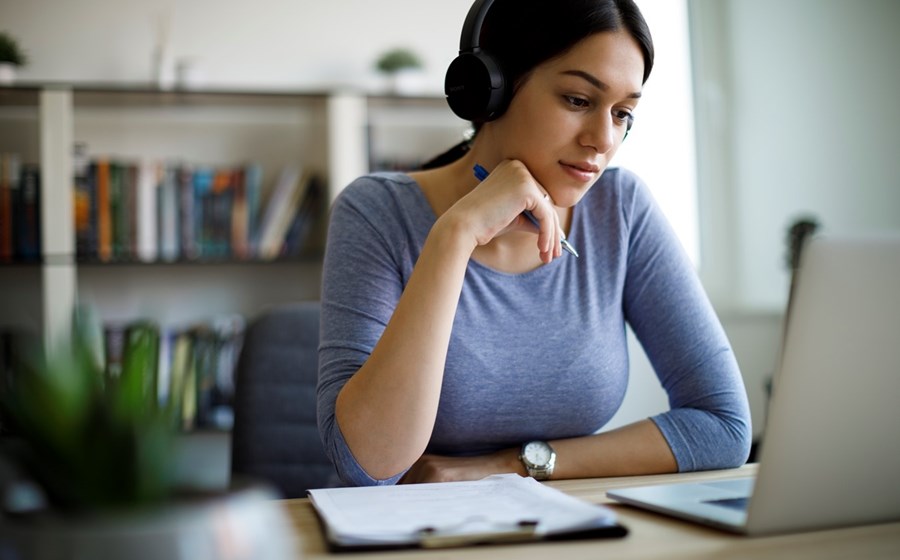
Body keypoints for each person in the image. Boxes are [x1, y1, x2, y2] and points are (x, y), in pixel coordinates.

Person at [317, 0, 751, 486]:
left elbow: (723, 426)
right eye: (578, 100)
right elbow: (368, 465)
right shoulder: (376, 213)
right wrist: (455, 237)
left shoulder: (620, 209)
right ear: (491, 90)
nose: (602, 139)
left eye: (623, 112)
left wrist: (510, 466)